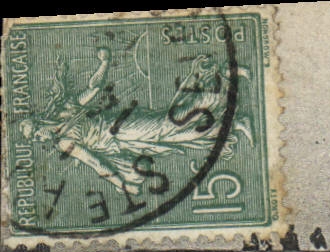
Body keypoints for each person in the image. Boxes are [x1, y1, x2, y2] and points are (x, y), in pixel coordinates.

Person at [21, 48, 253, 199]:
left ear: (40, 121)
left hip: (122, 127)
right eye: (35, 139)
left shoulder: (66, 110)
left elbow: (93, 89)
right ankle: (232, 123)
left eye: (36, 133)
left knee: (168, 125)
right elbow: (95, 162)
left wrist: (105, 62)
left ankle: (222, 77)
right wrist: (121, 184)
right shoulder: (63, 143)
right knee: (175, 137)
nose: (39, 138)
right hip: (123, 144)